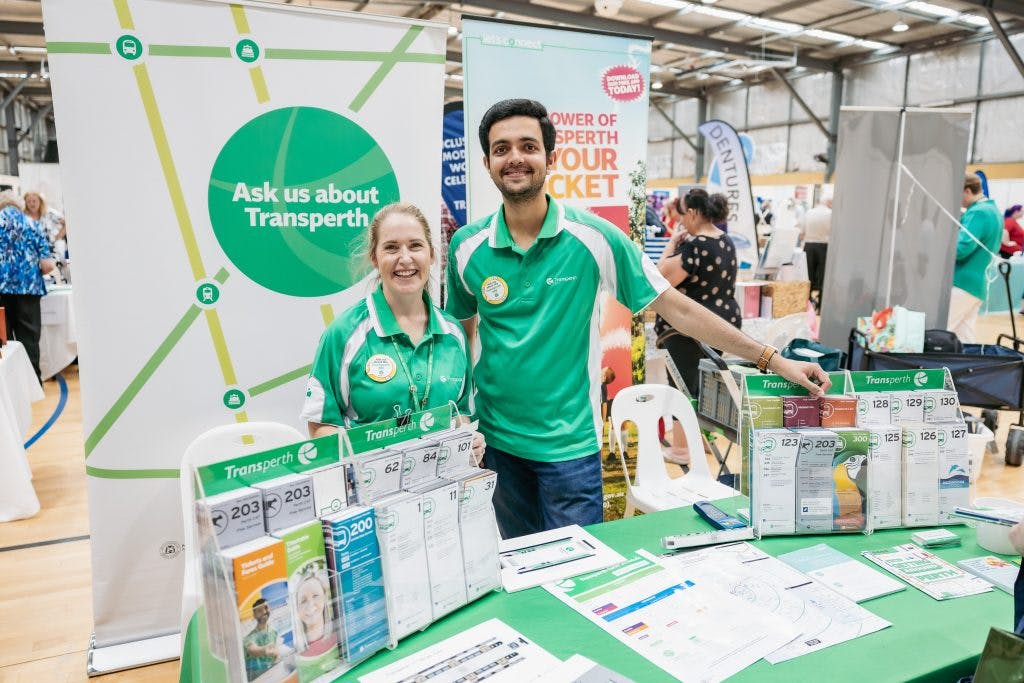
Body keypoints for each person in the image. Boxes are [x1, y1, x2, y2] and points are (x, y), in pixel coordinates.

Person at [445, 98, 830, 539]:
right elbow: (460, 335)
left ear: (550, 158)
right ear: (487, 162)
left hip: (569, 451)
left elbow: (678, 308)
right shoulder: (466, 247)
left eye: (528, 146)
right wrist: (460, 419)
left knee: (577, 578)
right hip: (497, 447)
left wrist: (772, 359)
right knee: (518, 569)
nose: (515, 157)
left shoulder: (594, 239)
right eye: (502, 148)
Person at [301, 203, 484, 459]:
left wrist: (469, 442)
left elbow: (461, 414)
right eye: (391, 247)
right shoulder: (344, 334)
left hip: (441, 490)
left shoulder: (454, 333)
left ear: (431, 255)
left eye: (415, 245)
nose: (405, 258)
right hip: (371, 490)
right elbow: (320, 426)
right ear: (374, 258)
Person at [654, 188, 740, 399]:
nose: (681, 222)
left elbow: (658, 279)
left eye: (682, 216)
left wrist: (671, 244)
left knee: (682, 397)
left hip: (688, 330)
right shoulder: (726, 241)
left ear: (692, 213)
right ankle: (699, 433)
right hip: (720, 326)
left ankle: (685, 433)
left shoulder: (695, 247)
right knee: (705, 394)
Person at [0, 191, 55, 381]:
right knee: (29, 338)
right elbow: (48, 265)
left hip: (1, 290)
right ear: (19, 206)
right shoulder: (32, 224)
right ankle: (33, 382)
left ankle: (9, 384)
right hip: (29, 289)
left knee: (4, 340)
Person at [949, 175, 1001, 343]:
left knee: (941, 332)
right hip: (977, 285)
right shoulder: (993, 211)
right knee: (964, 336)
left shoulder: (978, 213)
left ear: (968, 191)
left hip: (963, 283)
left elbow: (961, 249)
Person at [293, 569, 337, 657]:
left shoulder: (338, 635)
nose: (310, 605)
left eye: (315, 596)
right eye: (303, 601)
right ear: (297, 608)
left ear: (324, 598)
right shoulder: (295, 649)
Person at [801, 195, 832, 310]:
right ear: (828, 202)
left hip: (809, 246)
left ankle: (807, 304)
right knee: (823, 277)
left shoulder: (809, 213)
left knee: (808, 275)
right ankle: (820, 305)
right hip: (824, 246)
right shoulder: (830, 214)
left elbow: (802, 232)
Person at [243, 598, 279, 681]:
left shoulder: (273, 631)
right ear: (254, 615)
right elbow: (252, 649)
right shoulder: (250, 637)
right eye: (259, 610)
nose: (264, 612)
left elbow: (276, 654)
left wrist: (276, 661)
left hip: (272, 676)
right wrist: (264, 650)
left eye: (266, 608)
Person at [23, 191, 66, 255]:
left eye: (34, 201)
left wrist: (56, 237)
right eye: (28, 202)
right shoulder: (23, 216)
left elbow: (66, 224)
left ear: (40, 201)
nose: (32, 204)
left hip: (50, 251)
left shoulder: (50, 213)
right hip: (31, 252)